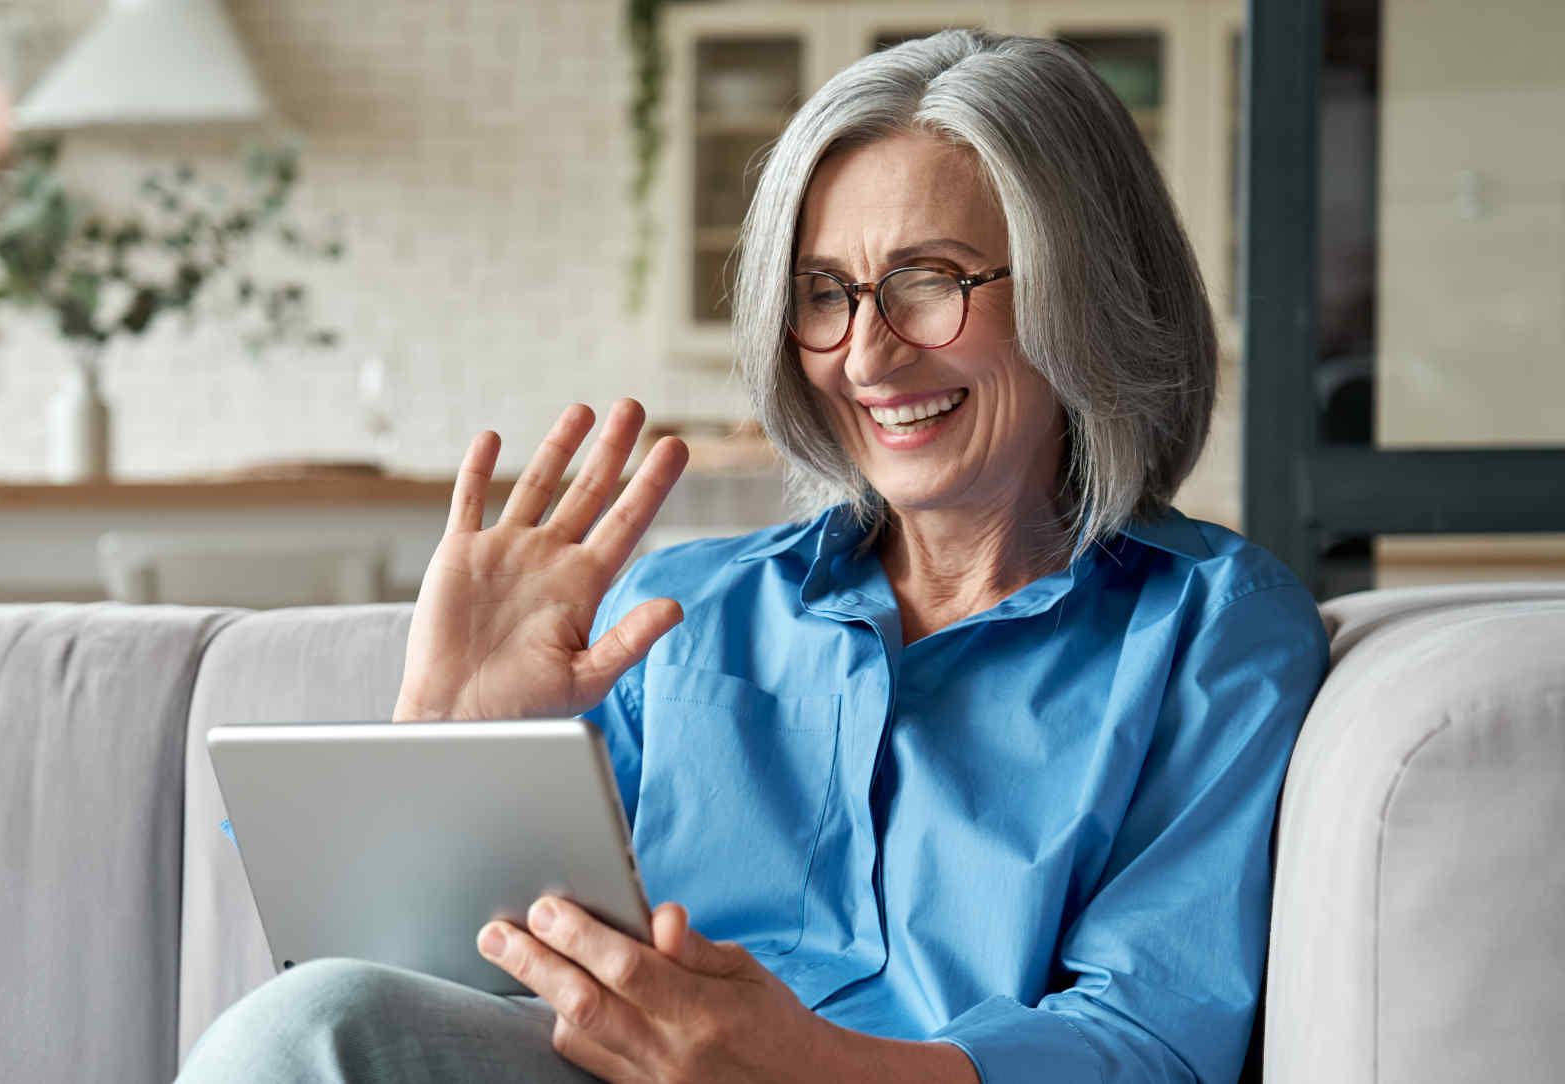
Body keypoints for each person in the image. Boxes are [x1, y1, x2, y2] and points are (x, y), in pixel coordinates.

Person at [179, 28, 1329, 1084]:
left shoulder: (1210, 627)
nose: (867, 356)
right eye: (825, 294)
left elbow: (1155, 1040)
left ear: (1082, 285)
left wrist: (814, 1068)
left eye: (929, 282)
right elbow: (441, 987)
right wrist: (443, 727)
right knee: (311, 1027)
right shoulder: (682, 610)